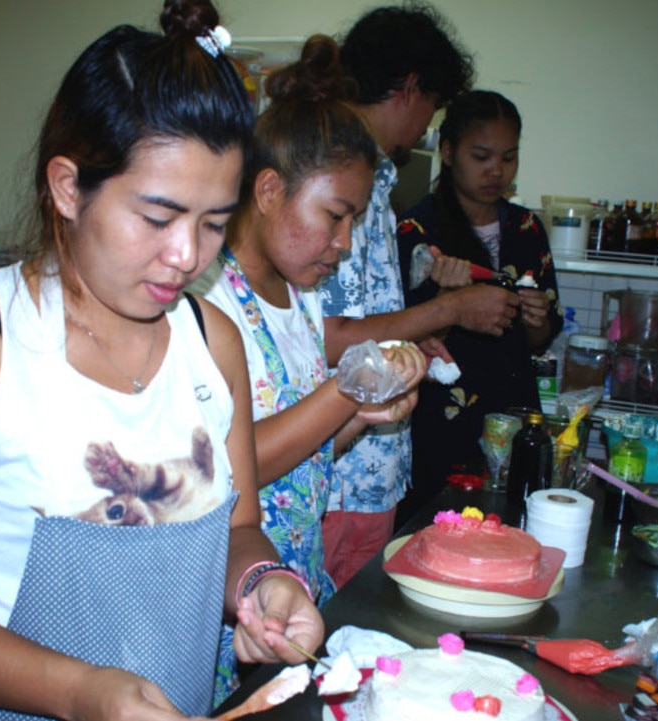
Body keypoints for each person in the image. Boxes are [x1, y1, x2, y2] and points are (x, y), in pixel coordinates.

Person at [0, 2, 323, 719]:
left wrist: (262, 582)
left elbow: (237, 527)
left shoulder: (213, 343)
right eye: (157, 218)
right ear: (69, 187)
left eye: (215, 223)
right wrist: (78, 690)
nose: (187, 256)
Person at [195, 34, 427, 702]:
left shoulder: (298, 302)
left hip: (291, 583)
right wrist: (344, 391)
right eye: (334, 215)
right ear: (268, 190)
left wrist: (359, 417)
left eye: (354, 220)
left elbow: (303, 457)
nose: (345, 242)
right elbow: (236, 469)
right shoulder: (211, 304)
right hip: (229, 606)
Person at [317, 3, 516, 588]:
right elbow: (321, 338)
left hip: (370, 470)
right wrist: (450, 309)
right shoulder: (337, 178)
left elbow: (365, 319)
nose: (427, 125)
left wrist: (415, 333)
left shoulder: (375, 181)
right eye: (432, 106)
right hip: (338, 476)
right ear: (409, 88)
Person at [395, 90, 563, 522]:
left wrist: (538, 318)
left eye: (509, 158)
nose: (497, 171)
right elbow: (405, 340)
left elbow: (539, 341)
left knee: (510, 527)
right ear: (448, 152)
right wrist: (449, 302)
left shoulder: (526, 228)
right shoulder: (418, 230)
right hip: (441, 421)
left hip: (513, 413)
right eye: (482, 156)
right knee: (437, 530)